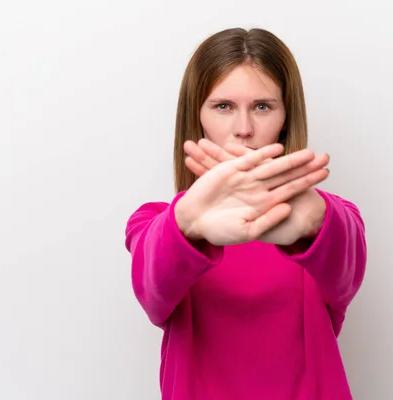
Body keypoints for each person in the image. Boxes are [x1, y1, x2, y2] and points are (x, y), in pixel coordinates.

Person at [124, 27, 367, 400]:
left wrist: (318, 220)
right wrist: (184, 223)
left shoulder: (327, 218)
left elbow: (347, 272)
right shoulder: (155, 223)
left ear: (286, 117)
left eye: (262, 106)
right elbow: (152, 294)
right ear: (198, 116)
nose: (243, 129)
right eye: (223, 106)